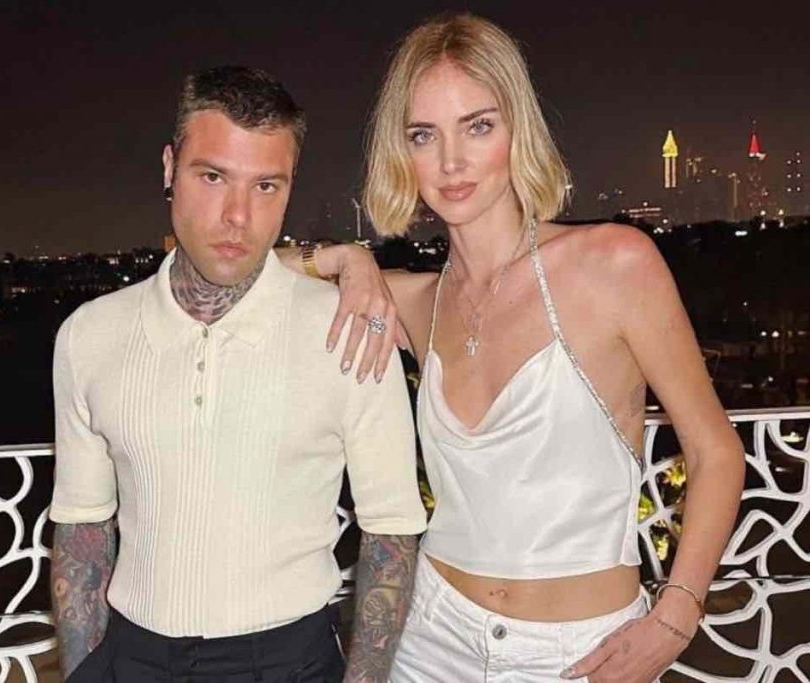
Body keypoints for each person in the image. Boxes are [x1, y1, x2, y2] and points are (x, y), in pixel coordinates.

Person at [283, 14, 745, 682]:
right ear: (401, 153)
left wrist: (677, 612)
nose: (451, 162)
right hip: (429, 637)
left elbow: (715, 450)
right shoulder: (415, 301)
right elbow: (241, 270)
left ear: (517, 130)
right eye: (423, 135)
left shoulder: (612, 264)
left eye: (478, 126)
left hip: (579, 653)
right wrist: (343, 257)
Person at [47, 65, 426, 682]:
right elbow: (82, 525)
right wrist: (82, 672)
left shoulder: (350, 329)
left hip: (289, 661)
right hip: (132, 656)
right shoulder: (89, 335)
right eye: (213, 176)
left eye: (266, 186)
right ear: (169, 168)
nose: (237, 216)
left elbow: (391, 534)